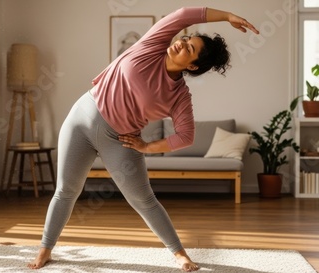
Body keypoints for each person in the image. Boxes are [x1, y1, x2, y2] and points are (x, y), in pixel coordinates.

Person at [28, 7, 259, 272]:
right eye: (185, 40)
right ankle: (45, 249)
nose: (180, 44)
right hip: (80, 120)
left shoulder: (179, 96)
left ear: (192, 66)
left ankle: (179, 254)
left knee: (144, 200)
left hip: (120, 140)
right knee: (66, 191)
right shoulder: (153, 45)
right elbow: (183, 15)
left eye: (189, 49)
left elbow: (186, 136)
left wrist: (147, 147)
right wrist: (227, 16)